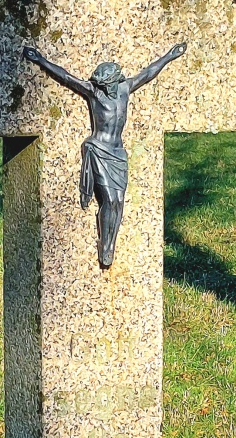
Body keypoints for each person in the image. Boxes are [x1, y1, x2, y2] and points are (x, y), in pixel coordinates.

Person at [22, 41, 187, 268]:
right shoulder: (94, 93)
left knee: (119, 201)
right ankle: (105, 245)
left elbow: (148, 72)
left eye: (106, 82)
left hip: (118, 153)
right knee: (109, 199)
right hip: (99, 149)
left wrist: (170, 55)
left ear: (115, 80)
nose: (101, 85)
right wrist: (40, 59)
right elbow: (67, 77)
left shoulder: (124, 88)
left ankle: (112, 241)